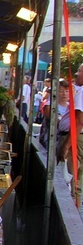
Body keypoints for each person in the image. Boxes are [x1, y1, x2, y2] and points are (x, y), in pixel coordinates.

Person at [58, 64, 83, 203]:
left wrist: (66, 145)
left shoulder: (82, 92)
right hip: (77, 139)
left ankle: (70, 211)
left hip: (74, 139)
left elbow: (78, 122)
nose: (76, 74)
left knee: (69, 181)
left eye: (79, 71)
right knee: (77, 184)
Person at [40, 78, 69, 150]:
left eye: (67, 91)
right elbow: (55, 122)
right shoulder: (50, 106)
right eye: (61, 91)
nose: (64, 94)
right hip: (51, 142)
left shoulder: (71, 106)